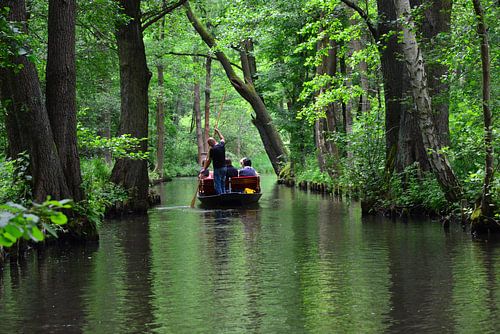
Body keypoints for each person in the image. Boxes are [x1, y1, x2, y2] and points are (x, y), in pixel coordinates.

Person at [200, 128, 226, 194]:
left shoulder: (212, 150)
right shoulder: (221, 145)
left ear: (209, 145)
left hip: (217, 169)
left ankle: (221, 196)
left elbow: (209, 161)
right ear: (215, 141)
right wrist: (218, 132)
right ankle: (224, 194)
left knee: (217, 184)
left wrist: (204, 169)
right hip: (224, 168)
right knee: (222, 182)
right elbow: (222, 138)